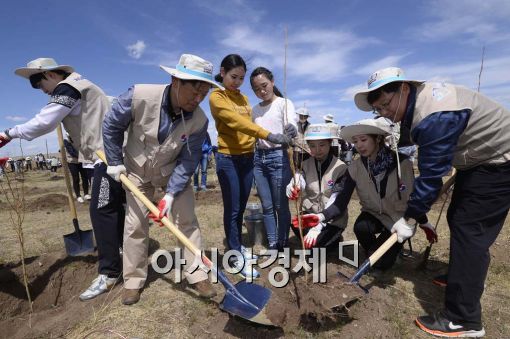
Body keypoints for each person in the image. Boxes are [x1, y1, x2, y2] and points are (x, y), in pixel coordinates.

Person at [354, 67, 510, 338]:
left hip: (498, 163)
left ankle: (464, 319)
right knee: (458, 220)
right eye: (378, 109)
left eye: (386, 104)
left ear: (404, 89)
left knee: (469, 231)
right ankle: (465, 278)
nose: (384, 112)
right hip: (478, 162)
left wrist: (410, 217)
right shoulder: (419, 107)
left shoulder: (433, 115)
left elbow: (430, 179)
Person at [0, 57, 125, 301]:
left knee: (101, 210)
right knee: (113, 207)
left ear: (49, 75)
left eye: (37, 83)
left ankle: (110, 272)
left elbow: (44, 122)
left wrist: (9, 133)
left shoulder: (68, 88)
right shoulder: (83, 86)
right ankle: (122, 250)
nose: (40, 90)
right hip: (107, 154)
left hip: (107, 157)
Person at [103, 54, 221, 305]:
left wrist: (169, 195)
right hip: (136, 171)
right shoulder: (138, 96)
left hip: (172, 174)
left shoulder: (199, 120)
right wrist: (114, 162)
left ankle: (198, 273)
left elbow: (189, 161)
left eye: (204, 93)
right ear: (176, 81)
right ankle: (133, 280)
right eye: (194, 91)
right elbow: (111, 125)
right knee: (135, 225)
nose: (198, 99)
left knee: (187, 220)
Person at [209, 54, 291, 279]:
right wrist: (269, 135)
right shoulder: (217, 96)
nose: (237, 82)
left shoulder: (244, 99)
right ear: (223, 72)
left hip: (248, 158)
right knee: (233, 208)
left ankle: (237, 247)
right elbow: (237, 122)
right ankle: (234, 255)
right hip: (229, 159)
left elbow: (254, 122)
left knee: (241, 206)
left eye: (241, 78)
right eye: (233, 76)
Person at [249, 66, 297, 250]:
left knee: (280, 205)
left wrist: (292, 129)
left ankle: (283, 242)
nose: (262, 91)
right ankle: (273, 243)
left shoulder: (284, 103)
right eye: (256, 89)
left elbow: (292, 123)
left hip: (279, 157)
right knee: (267, 206)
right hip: (259, 159)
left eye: (264, 85)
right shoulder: (254, 110)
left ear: (272, 82)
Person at [286, 123, 348, 250]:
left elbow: (336, 199)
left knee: (319, 245)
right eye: (312, 146)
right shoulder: (305, 164)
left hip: (332, 218)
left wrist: (318, 225)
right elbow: (300, 181)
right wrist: (294, 184)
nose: (317, 150)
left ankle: (330, 240)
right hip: (311, 214)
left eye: (322, 145)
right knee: (295, 223)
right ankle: (318, 241)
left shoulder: (341, 168)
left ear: (330, 143)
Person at [64, 138, 90, 202]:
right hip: (72, 162)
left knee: (85, 177)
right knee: (76, 178)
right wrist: (83, 156)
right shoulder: (66, 140)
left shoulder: (78, 137)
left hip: (81, 161)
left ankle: (86, 194)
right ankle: (78, 196)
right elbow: (71, 152)